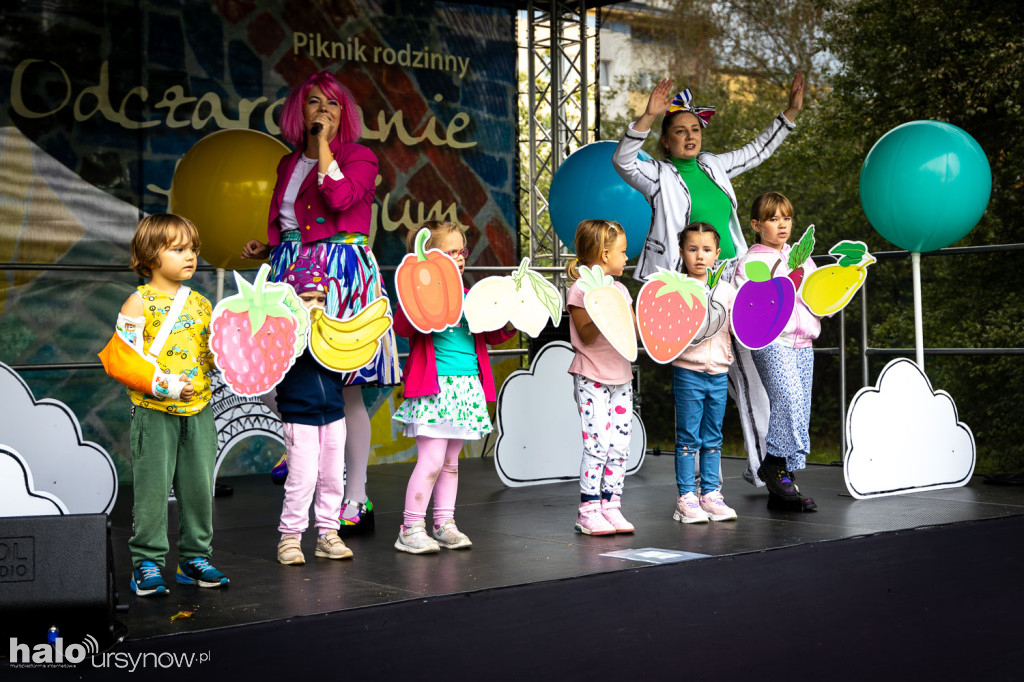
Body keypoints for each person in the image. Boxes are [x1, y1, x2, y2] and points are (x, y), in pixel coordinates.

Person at [612, 73, 804, 488]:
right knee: (700, 378)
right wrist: (648, 116)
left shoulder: (714, 164)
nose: (689, 136)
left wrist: (789, 114)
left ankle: (765, 466)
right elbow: (623, 160)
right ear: (665, 141)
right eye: (679, 131)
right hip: (688, 286)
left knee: (753, 374)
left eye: (694, 129)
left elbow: (754, 152)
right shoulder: (656, 174)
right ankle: (698, 474)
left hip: (735, 280)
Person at [241, 70, 399, 533]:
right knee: (278, 375)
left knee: (344, 385)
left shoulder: (360, 156)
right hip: (291, 272)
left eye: (332, 104)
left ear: (343, 114)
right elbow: (293, 223)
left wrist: (325, 149)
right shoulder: (287, 164)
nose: (324, 110)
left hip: (342, 274)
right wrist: (268, 250)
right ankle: (301, 447)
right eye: (314, 103)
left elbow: (339, 197)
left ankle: (356, 499)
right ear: (299, 112)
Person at [108, 214, 228, 596]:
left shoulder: (202, 304)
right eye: (178, 249)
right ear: (149, 254)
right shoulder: (137, 302)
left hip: (200, 411)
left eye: (193, 249)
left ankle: (195, 559)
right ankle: (147, 563)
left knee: (197, 489)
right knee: (152, 491)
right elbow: (122, 360)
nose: (189, 256)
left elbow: (212, 356)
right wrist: (167, 385)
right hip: (153, 411)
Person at [391, 221, 517, 554]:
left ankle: (443, 522)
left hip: (465, 390)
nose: (459, 258)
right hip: (433, 390)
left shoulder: (469, 295)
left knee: (450, 463)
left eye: (461, 251)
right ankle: (411, 527)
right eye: (450, 252)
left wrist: (509, 317)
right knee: (431, 461)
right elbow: (403, 326)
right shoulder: (420, 293)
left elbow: (490, 333)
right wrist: (416, 291)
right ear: (428, 256)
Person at [733, 192, 819, 511]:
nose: (782, 224)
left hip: (803, 341)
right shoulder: (751, 261)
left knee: (800, 408)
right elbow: (749, 306)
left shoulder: (800, 255)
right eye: (773, 219)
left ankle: (782, 482)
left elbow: (815, 296)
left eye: (787, 217)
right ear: (757, 225)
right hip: (772, 340)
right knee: (789, 398)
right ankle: (772, 464)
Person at [274, 260, 353, 565]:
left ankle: (328, 534)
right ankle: (290, 538)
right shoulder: (283, 339)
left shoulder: (330, 335)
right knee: (302, 479)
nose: (315, 305)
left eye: (321, 299)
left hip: (334, 413)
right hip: (299, 416)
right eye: (307, 299)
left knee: (333, 478)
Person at [565, 220, 636, 535]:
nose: (626, 257)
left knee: (620, 445)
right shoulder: (580, 290)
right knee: (598, 444)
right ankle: (588, 509)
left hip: (621, 377)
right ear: (604, 254)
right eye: (621, 252)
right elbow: (587, 334)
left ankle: (612, 505)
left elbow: (633, 331)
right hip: (592, 375)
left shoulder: (621, 289)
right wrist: (603, 308)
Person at [672, 222, 738, 523]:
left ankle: (710, 494)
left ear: (718, 253)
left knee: (713, 436)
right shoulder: (675, 288)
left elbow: (740, 326)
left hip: (720, 371)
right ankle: (686, 498)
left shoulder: (727, 290)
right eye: (693, 249)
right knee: (688, 437)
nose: (700, 256)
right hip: (687, 371)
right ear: (682, 252)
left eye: (707, 250)